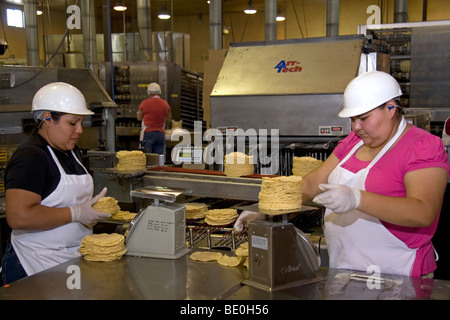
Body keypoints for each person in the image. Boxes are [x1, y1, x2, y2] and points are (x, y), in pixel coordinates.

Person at [235, 71, 450, 278]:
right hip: (345, 268)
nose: (356, 127)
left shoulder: (422, 146)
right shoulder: (354, 142)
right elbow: (312, 183)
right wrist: (268, 210)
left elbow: (423, 211)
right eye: (352, 119)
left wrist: (356, 198)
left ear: (391, 108)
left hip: (396, 273)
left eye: (364, 118)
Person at [1, 82, 111, 284]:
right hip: (33, 263)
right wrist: (76, 213)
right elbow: (19, 217)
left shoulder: (71, 151)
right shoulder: (30, 157)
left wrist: (89, 212)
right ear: (48, 118)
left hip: (69, 259)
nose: (79, 130)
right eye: (72, 123)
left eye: (81, 123)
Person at [136, 82, 172, 156]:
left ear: (149, 93)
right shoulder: (165, 104)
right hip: (160, 134)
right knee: (158, 158)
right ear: (160, 93)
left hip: (148, 133)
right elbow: (169, 118)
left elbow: (139, 118)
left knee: (147, 158)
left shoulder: (144, 103)